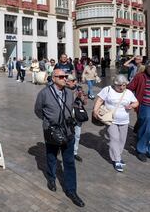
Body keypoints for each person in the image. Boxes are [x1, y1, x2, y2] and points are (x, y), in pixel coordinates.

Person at [34, 69, 84, 207]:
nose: (64, 78)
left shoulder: (69, 92)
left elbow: (74, 106)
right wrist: (48, 121)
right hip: (52, 131)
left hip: (68, 131)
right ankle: (51, 178)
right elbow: (38, 110)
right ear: (53, 78)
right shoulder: (44, 93)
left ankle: (71, 191)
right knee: (51, 157)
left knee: (69, 162)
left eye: (65, 76)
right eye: (61, 76)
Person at [93, 75, 139, 172]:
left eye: (124, 85)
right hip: (110, 119)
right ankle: (117, 160)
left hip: (124, 120)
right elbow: (100, 100)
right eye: (119, 85)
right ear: (114, 84)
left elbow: (136, 102)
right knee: (114, 139)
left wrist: (131, 106)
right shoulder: (108, 89)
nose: (122, 87)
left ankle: (118, 155)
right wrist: (95, 110)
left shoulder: (128, 92)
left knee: (122, 140)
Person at [127, 60, 150, 162]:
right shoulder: (140, 76)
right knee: (146, 127)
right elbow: (129, 88)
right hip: (145, 105)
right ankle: (141, 150)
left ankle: (147, 148)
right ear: (147, 67)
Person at [66, 74, 87, 162]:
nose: (75, 82)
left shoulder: (79, 88)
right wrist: (75, 95)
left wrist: (81, 96)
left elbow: (85, 102)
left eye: (75, 80)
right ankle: (66, 151)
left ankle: (74, 152)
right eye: (73, 81)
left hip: (77, 114)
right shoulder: (63, 89)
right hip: (67, 114)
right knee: (67, 133)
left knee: (77, 135)